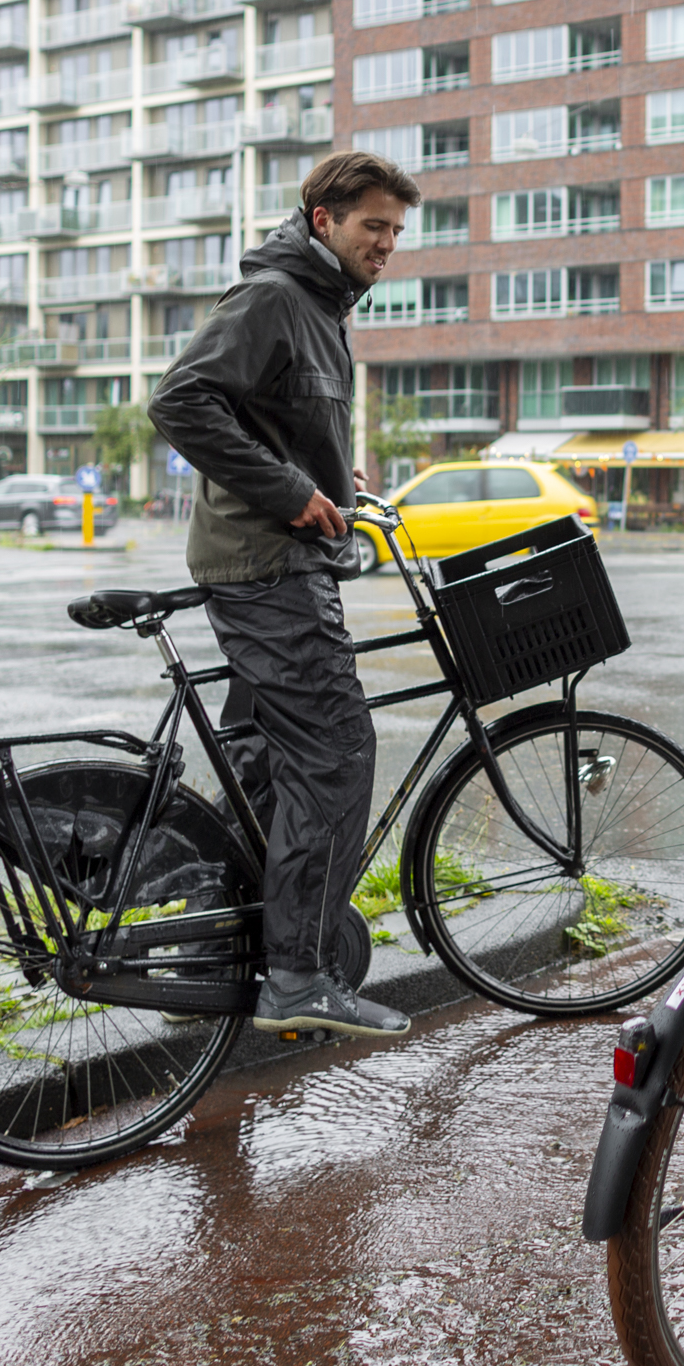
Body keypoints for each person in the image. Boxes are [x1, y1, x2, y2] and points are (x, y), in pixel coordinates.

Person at [148, 150, 423, 1040]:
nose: (385, 243)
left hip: (275, 558)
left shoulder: (319, 305)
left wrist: (335, 475)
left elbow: (279, 416)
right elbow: (182, 402)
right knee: (337, 756)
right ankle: (297, 975)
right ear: (322, 220)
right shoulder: (274, 298)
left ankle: (210, 948)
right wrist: (289, 493)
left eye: (394, 229)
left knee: (261, 765)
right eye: (372, 225)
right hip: (268, 565)